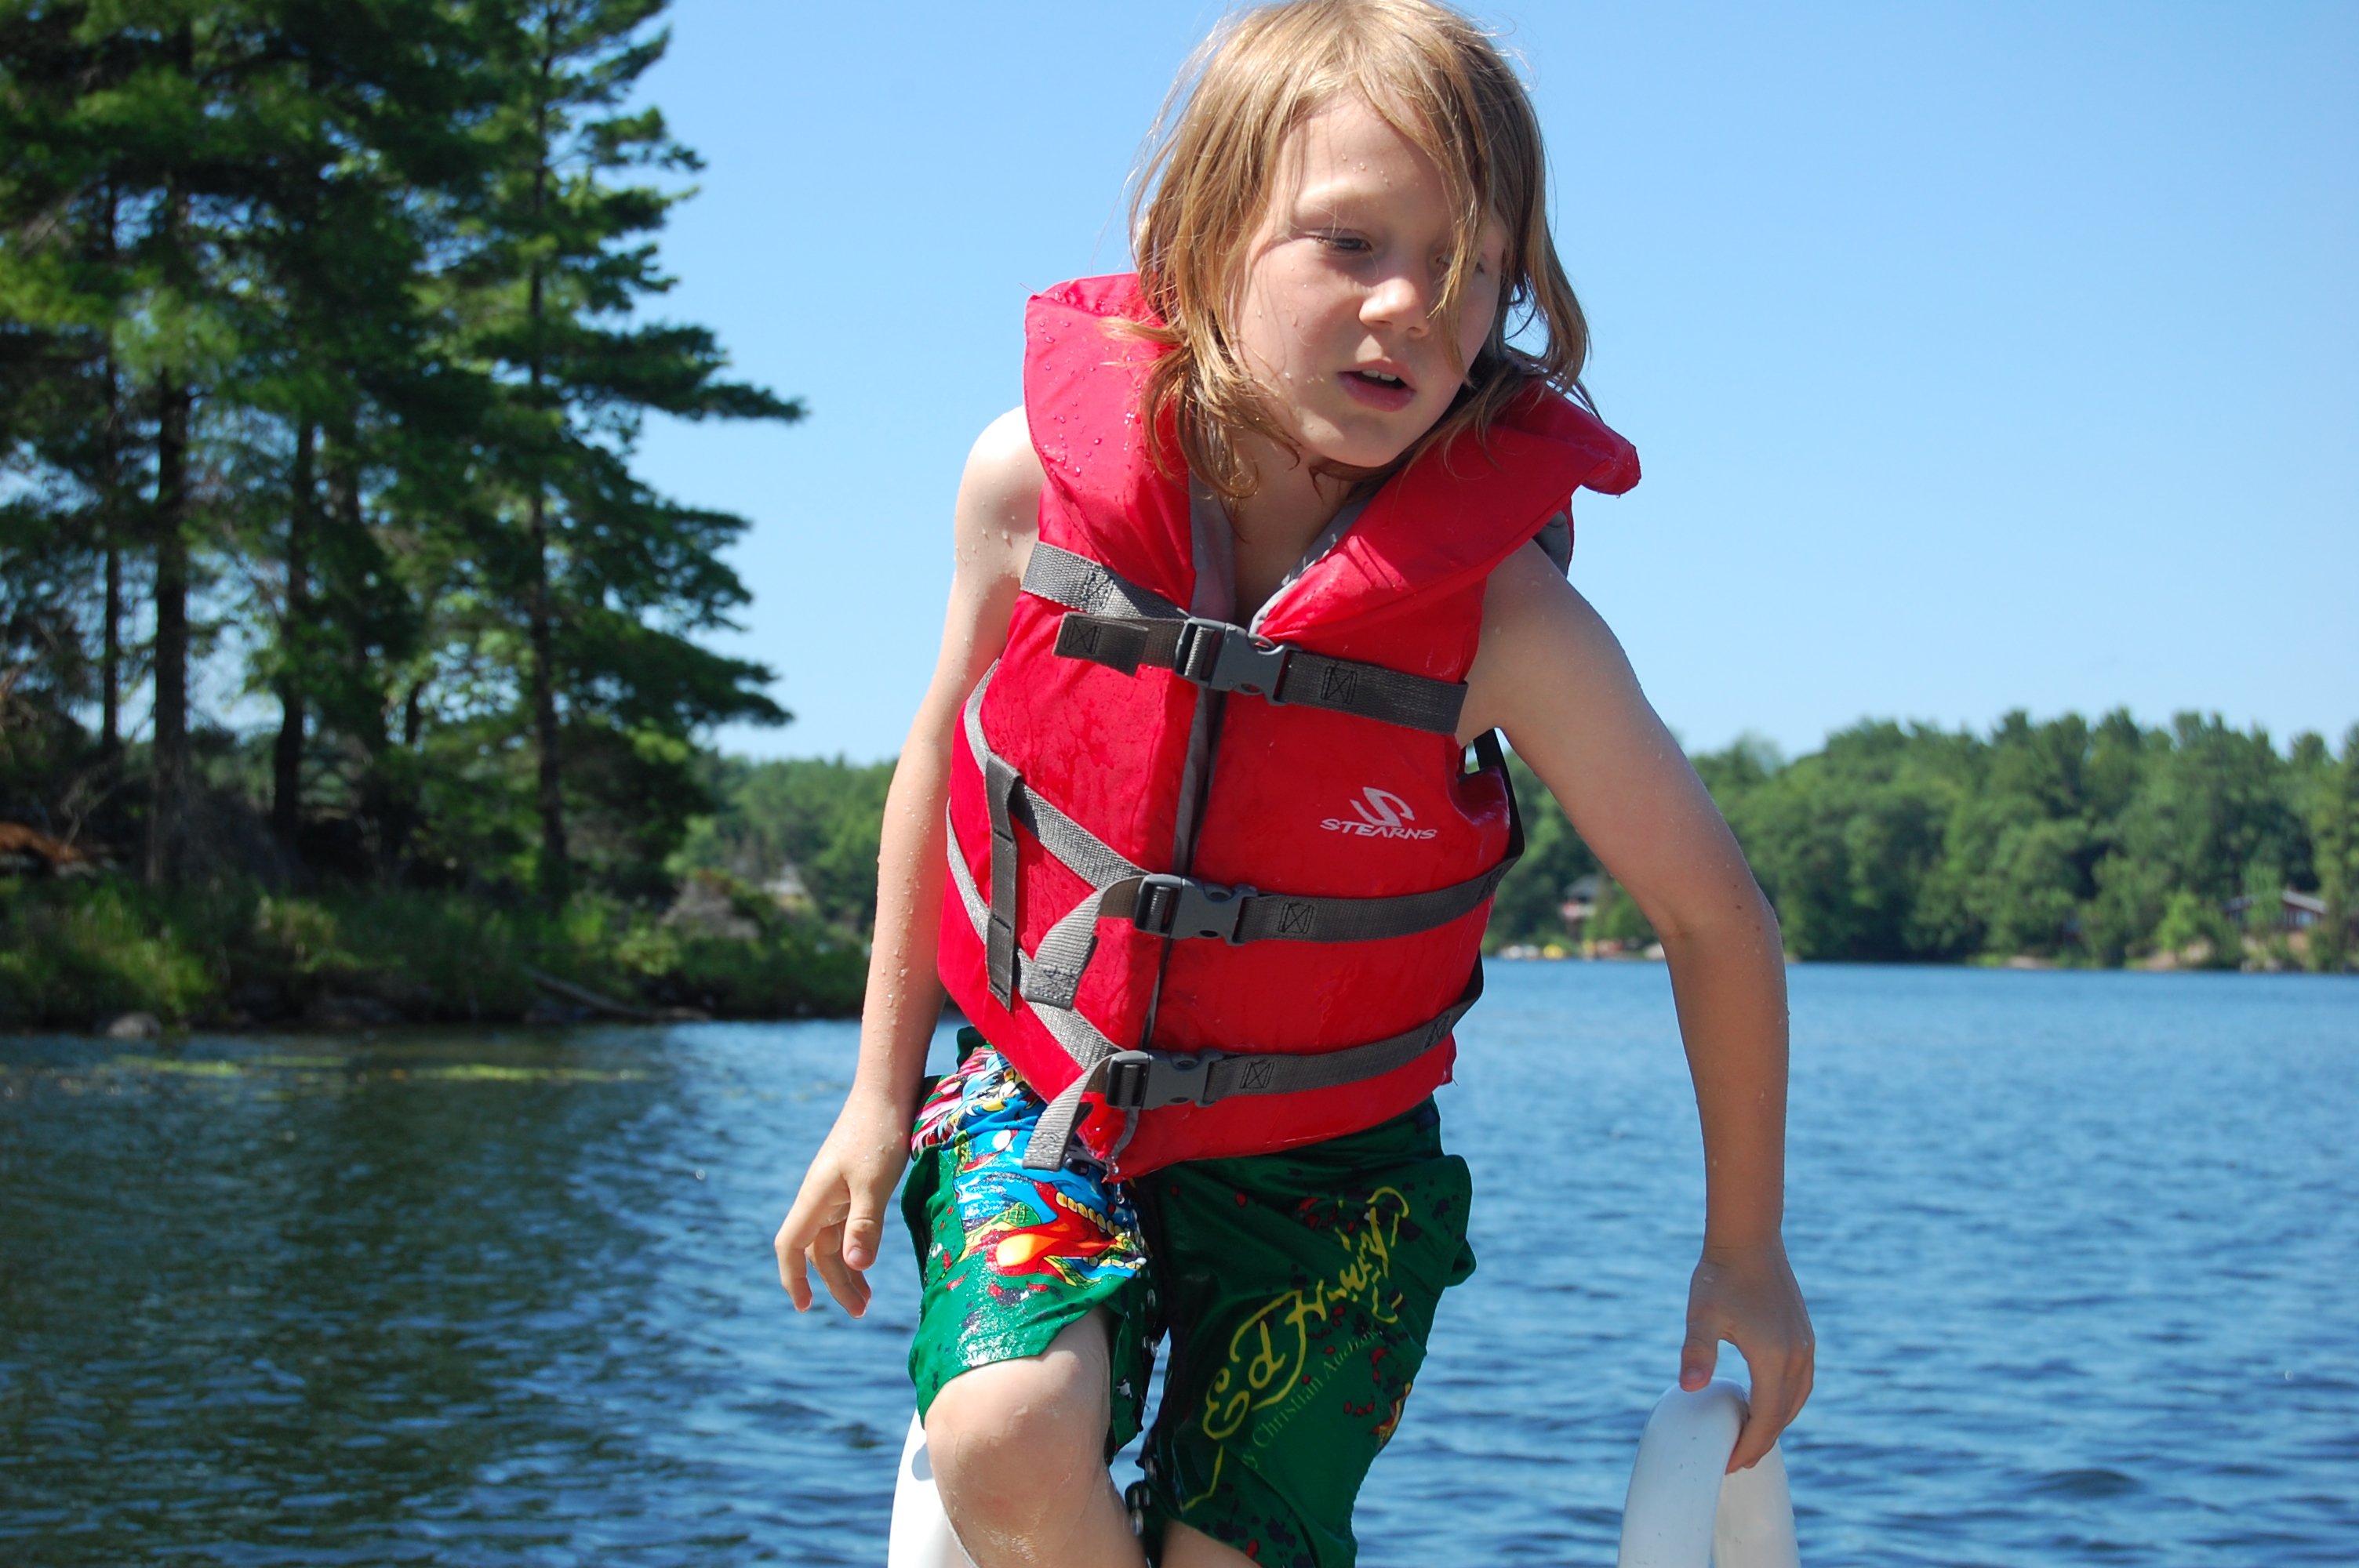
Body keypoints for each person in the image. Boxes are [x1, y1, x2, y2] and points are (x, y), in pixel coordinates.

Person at [776, 2, 1814, 1563]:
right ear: (1198, 243)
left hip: (1336, 1175)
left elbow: (1712, 915)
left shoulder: (1504, 623)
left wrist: (1745, 1247)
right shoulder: (1026, 485)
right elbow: (944, 753)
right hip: (1042, 1101)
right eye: (1349, 244)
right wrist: (875, 1093)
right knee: (1000, 1434)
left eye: (1471, 270)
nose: (1411, 306)